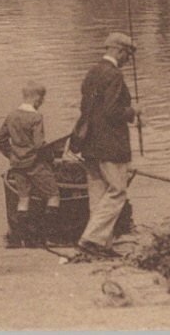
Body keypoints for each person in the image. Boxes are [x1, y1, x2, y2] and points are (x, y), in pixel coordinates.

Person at [70, 32, 140, 258]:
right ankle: (91, 239)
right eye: (128, 54)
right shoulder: (114, 75)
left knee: (98, 196)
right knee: (118, 191)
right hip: (111, 145)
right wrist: (132, 111)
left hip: (89, 144)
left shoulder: (92, 73)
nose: (128, 60)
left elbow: (88, 110)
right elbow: (112, 112)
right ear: (119, 50)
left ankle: (102, 246)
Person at [0, 82, 61, 247]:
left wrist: (12, 155)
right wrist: (51, 158)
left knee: (23, 199)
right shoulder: (36, 117)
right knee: (53, 195)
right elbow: (39, 145)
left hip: (17, 165)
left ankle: (20, 238)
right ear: (36, 98)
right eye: (42, 98)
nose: (42, 102)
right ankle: (44, 237)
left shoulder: (11, 116)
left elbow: (0, 140)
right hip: (35, 164)